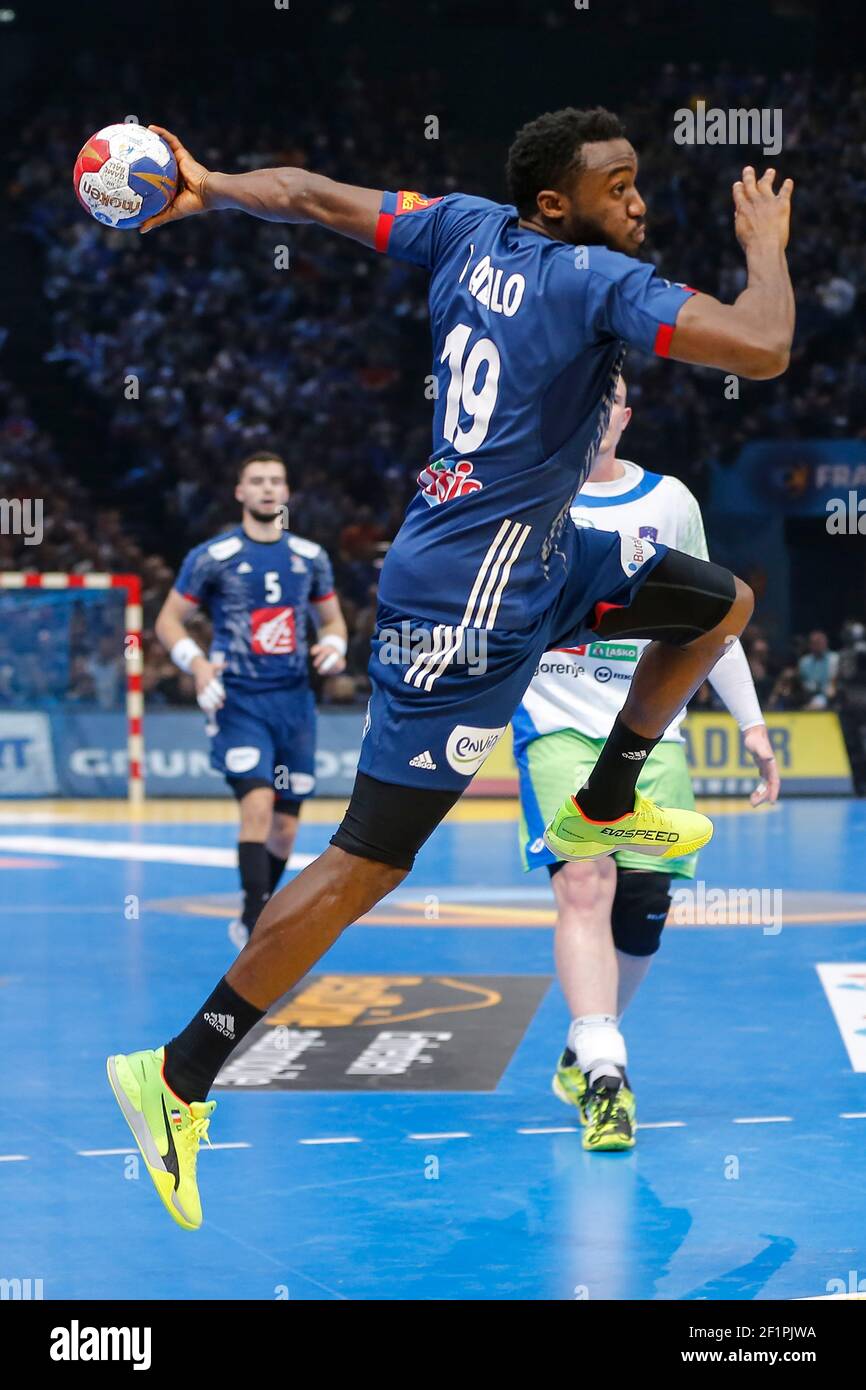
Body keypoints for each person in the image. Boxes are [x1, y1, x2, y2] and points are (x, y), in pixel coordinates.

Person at [107, 105, 794, 1229]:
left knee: (716, 602)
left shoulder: (465, 227)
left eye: (636, 182)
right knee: (369, 861)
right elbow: (761, 347)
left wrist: (211, 179)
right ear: (552, 205)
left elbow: (313, 194)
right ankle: (179, 1073)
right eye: (615, 185)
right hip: (465, 606)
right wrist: (762, 242)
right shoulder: (590, 282)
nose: (636, 201)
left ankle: (607, 795)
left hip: (531, 554)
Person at [513, 374, 780, 1150]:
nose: (594, 408)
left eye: (609, 397)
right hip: (557, 724)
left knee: (644, 910)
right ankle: (607, 1076)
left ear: (624, 416)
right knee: (586, 880)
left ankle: (584, 1042)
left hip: (651, 730)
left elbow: (712, 622)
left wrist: (754, 726)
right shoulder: (530, 495)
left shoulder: (670, 502)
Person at [154, 450, 348, 949]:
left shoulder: (310, 558)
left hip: (294, 703)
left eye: (275, 481)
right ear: (240, 492)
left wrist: (334, 646)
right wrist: (196, 665)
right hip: (239, 699)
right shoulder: (211, 557)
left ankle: (254, 914)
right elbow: (167, 620)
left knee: (284, 827)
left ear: (286, 493)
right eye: (257, 481)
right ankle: (254, 920)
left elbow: (332, 621)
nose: (267, 489)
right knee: (257, 806)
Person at [797, 630, 839, 709]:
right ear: (810, 645)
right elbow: (801, 680)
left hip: (826, 695)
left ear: (826, 643)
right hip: (807, 694)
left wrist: (832, 688)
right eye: (815, 643)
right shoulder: (804, 661)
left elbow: (834, 680)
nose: (818, 645)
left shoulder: (834, 658)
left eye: (821, 642)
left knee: (820, 700)